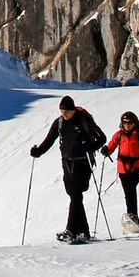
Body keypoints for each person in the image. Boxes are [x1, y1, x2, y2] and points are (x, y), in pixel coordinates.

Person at [30, 95, 106, 243]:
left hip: (83, 163)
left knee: (76, 194)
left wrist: (90, 147)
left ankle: (71, 230)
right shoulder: (59, 123)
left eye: (66, 111)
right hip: (67, 163)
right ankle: (83, 232)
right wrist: (38, 151)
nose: (64, 114)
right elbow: (49, 139)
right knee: (74, 196)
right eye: (61, 111)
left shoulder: (83, 120)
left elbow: (102, 138)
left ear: (73, 110)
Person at [102, 110, 139, 234]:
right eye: (125, 123)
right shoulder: (119, 135)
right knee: (129, 191)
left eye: (130, 123)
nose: (127, 125)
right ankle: (133, 217)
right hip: (123, 169)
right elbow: (112, 146)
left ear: (134, 123)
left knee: (130, 190)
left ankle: (132, 216)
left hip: (138, 168)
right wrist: (106, 150)